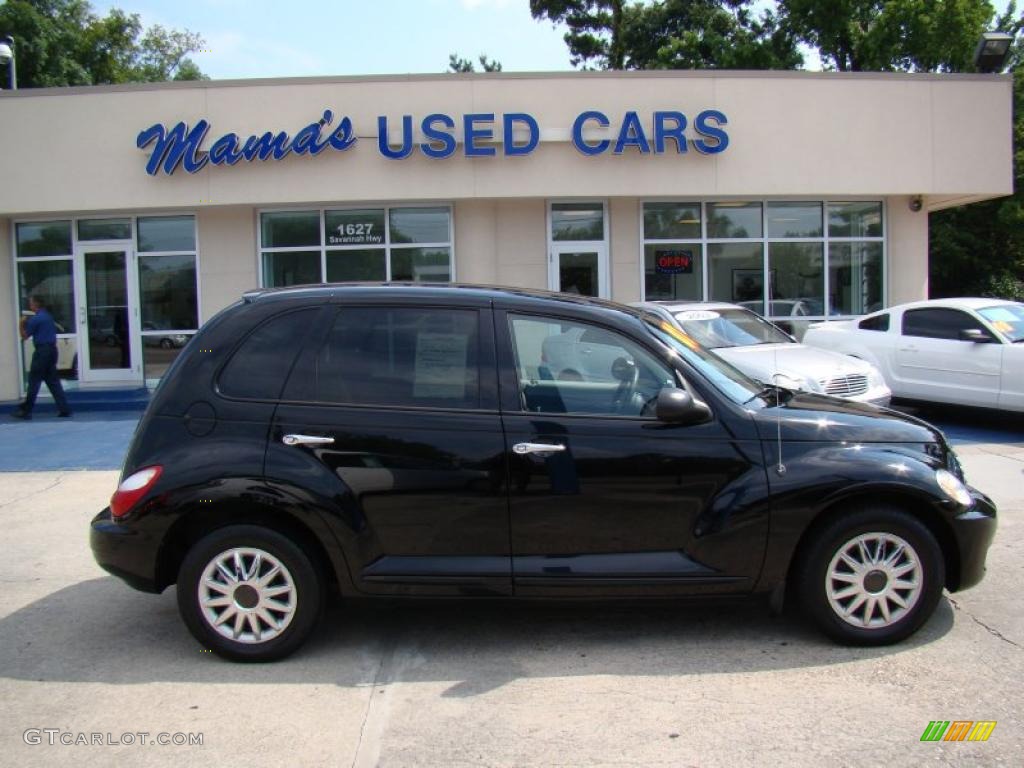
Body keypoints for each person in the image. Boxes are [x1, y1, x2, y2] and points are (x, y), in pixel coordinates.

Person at [12, 295, 72, 419]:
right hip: (52, 351)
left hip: (42, 352)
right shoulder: (48, 317)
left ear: (35, 304)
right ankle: (64, 408)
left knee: (34, 381)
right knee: (53, 381)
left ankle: (26, 411)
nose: (30, 305)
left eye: (31, 303)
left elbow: (25, 336)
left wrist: (21, 323)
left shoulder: (36, 319)